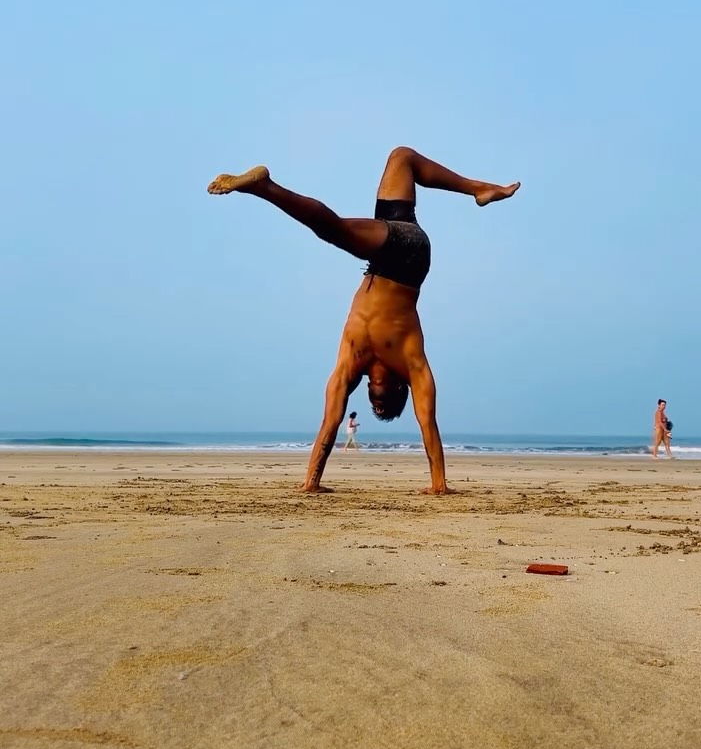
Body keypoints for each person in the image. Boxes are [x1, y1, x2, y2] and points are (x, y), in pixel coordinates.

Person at [208, 147, 520, 493]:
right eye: (383, 399)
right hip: (406, 259)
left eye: (372, 400)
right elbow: (428, 423)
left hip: (386, 246)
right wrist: (439, 485)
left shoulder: (350, 361)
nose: (374, 395)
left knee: (401, 157)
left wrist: (311, 482)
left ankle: (481, 190)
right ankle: (265, 187)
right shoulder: (411, 360)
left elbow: (330, 422)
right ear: (399, 387)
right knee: (337, 230)